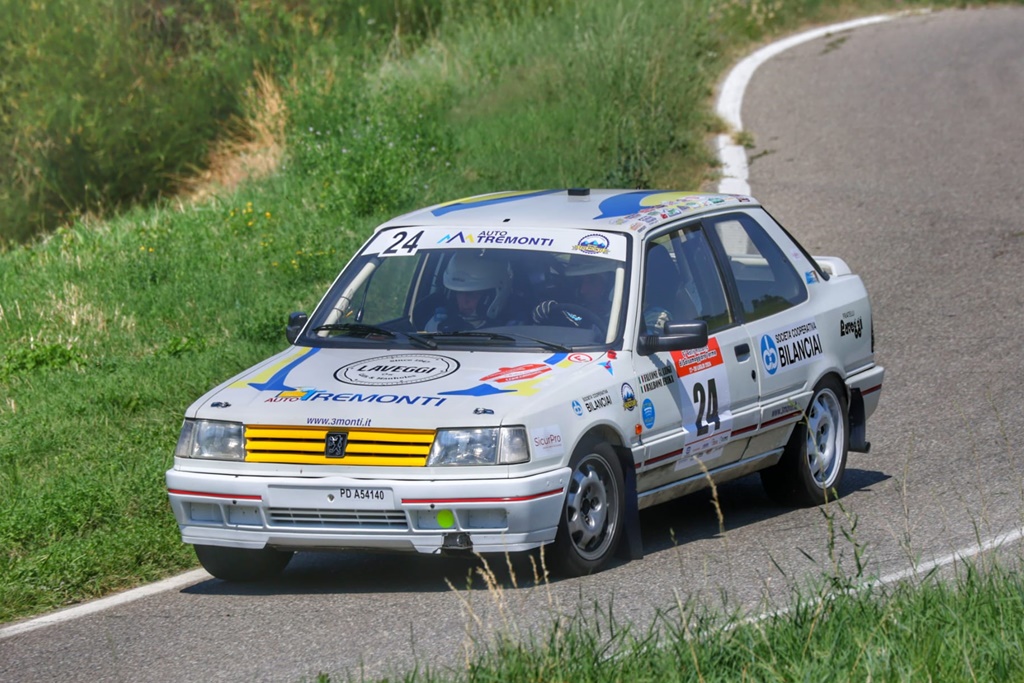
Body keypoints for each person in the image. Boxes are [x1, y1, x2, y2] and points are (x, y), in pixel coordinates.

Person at [425, 251, 513, 332]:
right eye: (459, 293)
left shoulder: (513, 331)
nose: (464, 302)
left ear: (492, 297)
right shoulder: (439, 325)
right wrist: (436, 329)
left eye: (472, 294)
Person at [531, 257, 614, 328]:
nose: (583, 290)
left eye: (592, 282)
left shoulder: (618, 317)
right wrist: (543, 313)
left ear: (606, 286)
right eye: (581, 282)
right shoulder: (563, 307)